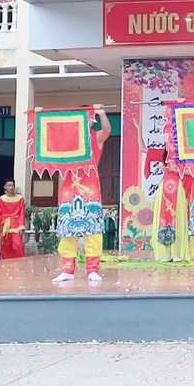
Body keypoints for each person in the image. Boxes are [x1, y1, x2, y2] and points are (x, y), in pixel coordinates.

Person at [51, 105, 111, 283]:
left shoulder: (95, 137)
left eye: (89, 117)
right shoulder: (67, 141)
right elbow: (49, 135)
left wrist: (102, 114)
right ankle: (67, 270)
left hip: (90, 190)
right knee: (67, 231)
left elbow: (107, 130)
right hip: (68, 190)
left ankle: (92, 269)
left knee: (92, 230)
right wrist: (39, 116)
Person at [0, 178, 26, 259]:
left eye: (13, 185)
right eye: (9, 185)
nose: (11, 187)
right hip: (4, 225)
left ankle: (19, 263)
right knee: (5, 246)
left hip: (16, 224)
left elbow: (21, 213)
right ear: (5, 187)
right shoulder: (0, 199)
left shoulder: (20, 198)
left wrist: (21, 226)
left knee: (18, 246)